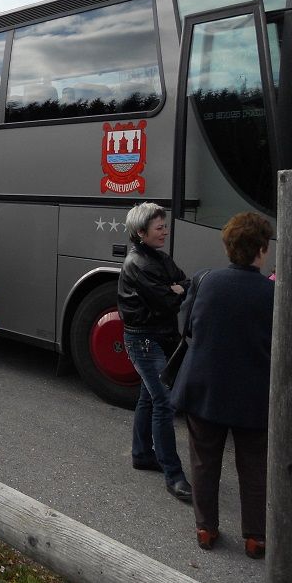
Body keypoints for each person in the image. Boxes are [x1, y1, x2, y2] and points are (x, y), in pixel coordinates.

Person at [170, 212, 274, 558]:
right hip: (253, 393)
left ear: (228, 247)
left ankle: (206, 528)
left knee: (204, 460)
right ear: (261, 249)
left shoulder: (204, 281)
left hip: (205, 387)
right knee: (254, 465)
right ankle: (255, 536)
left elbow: (187, 328)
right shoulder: (273, 294)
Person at [117, 202, 192, 502]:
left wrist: (177, 288)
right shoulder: (139, 264)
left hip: (158, 338)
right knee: (164, 403)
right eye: (159, 227)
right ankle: (173, 474)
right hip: (144, 341)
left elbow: (185, 282)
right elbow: (168, 302)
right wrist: (174, 290)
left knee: (149, 398)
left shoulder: (158, 258)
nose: (165, 231)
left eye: (164, 225)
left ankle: (141, 454)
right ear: (140, 232)